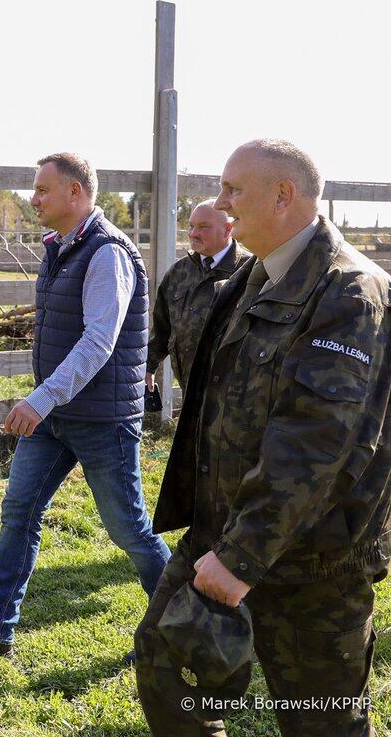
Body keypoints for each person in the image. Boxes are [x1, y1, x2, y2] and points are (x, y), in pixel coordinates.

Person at [134, 139, 391, 736]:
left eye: (233, 190)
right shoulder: (255, 274)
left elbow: (315, 441)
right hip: (221, 534)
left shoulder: (350, 293)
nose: (222, 205)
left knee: (319, 720)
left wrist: (242, 557)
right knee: (164, 667)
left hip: (312, 561)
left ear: (284, 195)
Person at [0, 152, 171, 658]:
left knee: (129, 530)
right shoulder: (62, 247)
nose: (33, 199)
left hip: (101, 418)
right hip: (56, 416)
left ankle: (183, 627)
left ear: (75, 193)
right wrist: (48, 403)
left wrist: (40, 399)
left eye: (42, 190)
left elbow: (99, 341)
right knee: (19, 510)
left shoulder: (107, 253)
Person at [147, 202, 248, 391]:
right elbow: (162, 328)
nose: (193, 233)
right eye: (191, 226)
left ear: (228, 230)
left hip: (232, 393)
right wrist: (148, 365)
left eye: (203, 227)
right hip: (188, 388)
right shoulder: (178, 272)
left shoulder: (248, 272)